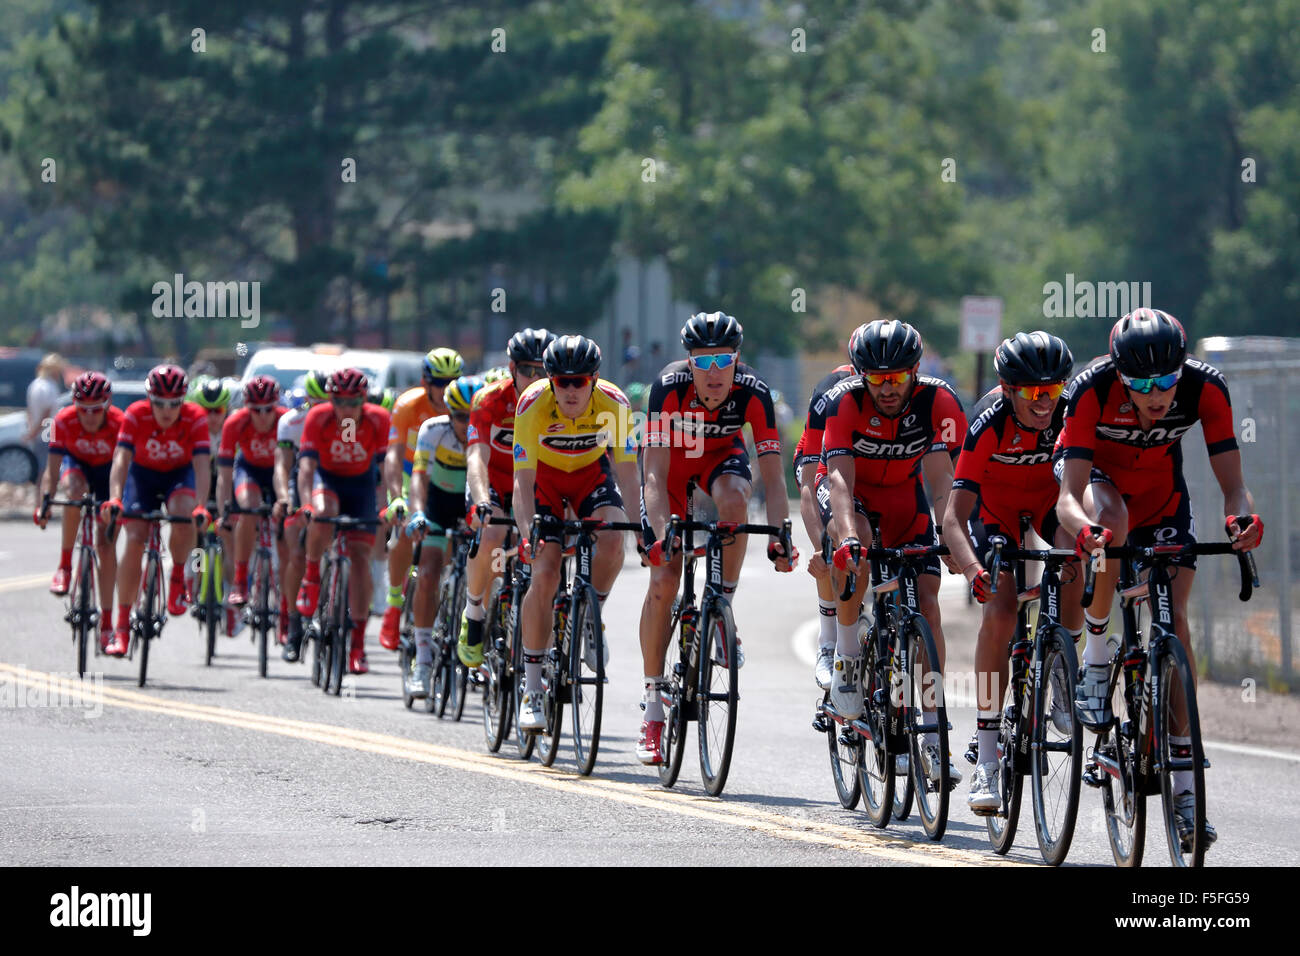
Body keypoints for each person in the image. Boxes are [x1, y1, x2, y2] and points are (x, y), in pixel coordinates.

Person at [1054, 308, 1262, 850]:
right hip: (1096, 490)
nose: (1158, 393)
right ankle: (1097, 662)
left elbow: (1234, 488)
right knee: (1113, 520)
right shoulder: (1090, 390)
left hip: (1164, 499)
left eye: (1167, 379)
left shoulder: (1205, 388)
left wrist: (1241, 519)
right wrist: (1087, 532)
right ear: (1120, 374)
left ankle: (1188, 791)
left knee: (1175, 624)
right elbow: (1067, 499)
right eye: (1143, 383)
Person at [635, 311, 797, 764]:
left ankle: (721, 600)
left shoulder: (755, 392)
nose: (712, 373)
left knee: (735, 501)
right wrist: (660, 532)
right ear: (688, 363)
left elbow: (774, 476)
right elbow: (653, 473)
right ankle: (651, 708)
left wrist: (782, 534)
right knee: (663, 581)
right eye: (701, 362)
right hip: (669, 469)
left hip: (720, 461)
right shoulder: (666, 388)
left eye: (722, 361)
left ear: (736, 360)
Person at [942, 331, 1085, 812]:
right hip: (994, 514)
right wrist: (971, 569)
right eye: (1032, 392)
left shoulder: (1072, 413)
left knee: (1073, 559)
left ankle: (1062, 671)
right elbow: (954, 518)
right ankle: (986, 758)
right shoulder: (987, 424)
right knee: (1001, 611)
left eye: (1053, 390)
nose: (1044, 402)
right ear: (1008, 389)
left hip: (1051, 505)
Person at [822, 319, 967, 783]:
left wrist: (952, 536)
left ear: (916, 371)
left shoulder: (937, 401)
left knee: (928, 602)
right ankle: (846, 660)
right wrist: (844, 537)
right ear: (861, 375)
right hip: (855, 498)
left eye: (898, 377)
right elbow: (839, 478)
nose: (888, 388)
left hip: (907, 503)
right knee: (858, 546)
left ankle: (930, 736)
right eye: (877, 379)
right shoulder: (844, 401)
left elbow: (946, 482)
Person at [512, 335, 639, 731]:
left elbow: (630, 473)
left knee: (613, 537)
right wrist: (528, 532)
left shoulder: (614, 403)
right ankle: (533, 689)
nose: (569, 389)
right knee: (545, 573)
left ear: (594, 380)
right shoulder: (532, 403)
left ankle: (590, 615)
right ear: (550, 381)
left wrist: (640, 529)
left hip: (589, 475)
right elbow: (522, 480)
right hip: (546, 481)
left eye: (578, 381)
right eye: (561, 381)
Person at [99, 365, 211, 656]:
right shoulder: (136, 414)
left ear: (183, 401)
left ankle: (176, 578)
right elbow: (121, 459)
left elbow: (201, 466)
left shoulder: (195, 417)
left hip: (179, 475)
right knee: (135, 536)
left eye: (174, 403)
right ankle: (121, 628)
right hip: (143, 476)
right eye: (159, 402)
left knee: (184, 511)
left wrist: (201, 504)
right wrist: (114, 498)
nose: (166, 409)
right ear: (149, 398)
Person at [458, 328, 554, 668]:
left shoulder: (557, 401)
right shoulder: (489, 400)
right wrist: (482, 500)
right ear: (512, 368)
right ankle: (473, 612)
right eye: (528, 369)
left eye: (543, 370)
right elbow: (475, 459)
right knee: (494, 533)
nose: (536, 377)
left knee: (553, 544)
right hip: (494, 481)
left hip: (533, 483)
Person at [294, 368, 393, 675]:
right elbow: (307, 467)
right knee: (322, 513)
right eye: (339, 402)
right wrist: (306, 503)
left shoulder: (378, 418)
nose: (346, 409)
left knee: (361, 557)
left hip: (361, 485)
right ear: (330, 399)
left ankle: (359, 646)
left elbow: (385, 469)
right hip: (328, 479)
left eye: (353, 403)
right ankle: (312, 576)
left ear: (364, 400)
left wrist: (390, 504)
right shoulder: (318, 417)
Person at [402, 376, 484, 696]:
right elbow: (419, 478)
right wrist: (418, 512)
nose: (467, 423)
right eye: (461, 416)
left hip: (471, 505)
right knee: (428, 571)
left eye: (473, 416)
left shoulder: (486, 431)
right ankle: (422, 659)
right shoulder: (433, 430)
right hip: (437, 503)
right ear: (449, 414)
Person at [379, 348, 464, 651]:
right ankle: (392, 606)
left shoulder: (462, 406)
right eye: (439, 382)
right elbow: (393, 455)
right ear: (425, 382)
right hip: (410, 473)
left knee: (453, 544)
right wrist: (395, 497)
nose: (445, 389)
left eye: (452, 381)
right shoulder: (407, 405)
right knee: (404, 532)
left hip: (448, 476)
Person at [35, 372, 123, 651]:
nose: (89, 416)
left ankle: (107, 624)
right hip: (78, 467)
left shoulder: (120, 423)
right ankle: (64, 566)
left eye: (96, 409)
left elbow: (126, 471)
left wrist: (119, 504)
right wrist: (45, 502)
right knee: (72, 492)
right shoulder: (63, 420)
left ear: (107, 405)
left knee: (106, 545)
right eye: (82, 409)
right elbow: (50, 472)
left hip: (109, 474)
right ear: (74, 405)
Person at [791, 342, 858, 691]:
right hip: (822, 462)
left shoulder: (909, 394)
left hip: (876, 469)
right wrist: (822, 546)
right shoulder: (829, 392)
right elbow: (808, 486)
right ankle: (829, 641)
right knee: (834, 540)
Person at [216, 375, 288, 636]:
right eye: (255, 409)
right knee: (247, 509)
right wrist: (226, 508)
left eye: (268, 409)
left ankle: (287, 604)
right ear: (246, 407)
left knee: (288, 525)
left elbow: (302, 467)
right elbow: (224, 474)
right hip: (249, 472)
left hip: (282, 472)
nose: (262, 416)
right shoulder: (235, 422)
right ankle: (241, 581)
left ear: (276, 405)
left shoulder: (286, 420)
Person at [273, 370, 329, 659]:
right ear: (307, 399)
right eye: (317, 402)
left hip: (334, 480)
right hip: (300, 481)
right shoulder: (291, 422)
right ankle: (294, 624)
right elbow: (283, 467)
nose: (324, 408)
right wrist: (283, 498)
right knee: (295, 550)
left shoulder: (345, 421)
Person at [189, 376, 241, 635]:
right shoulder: (191, 427)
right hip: (200, 484)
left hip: (226, 485)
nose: (211, 417)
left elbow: (235, 473)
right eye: (205, 411)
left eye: (217, 411)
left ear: (226, 410)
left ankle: (232, 603)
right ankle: (194, 579)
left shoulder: (232, 428)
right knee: (196, 536)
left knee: (230, 539)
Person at [25, 353, 66, 480]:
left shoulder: (35, 384)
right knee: (47, 471)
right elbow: (47, 414)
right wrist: (36, 432)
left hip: (38, 432)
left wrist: (31, 431)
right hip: (48, 433)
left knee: (41, 470)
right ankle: (45, 497)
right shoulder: (50, 387)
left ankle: (40, 497)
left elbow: (30, 411)